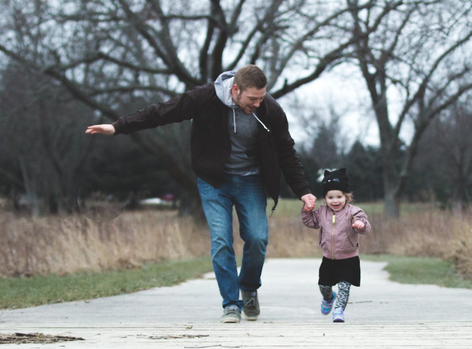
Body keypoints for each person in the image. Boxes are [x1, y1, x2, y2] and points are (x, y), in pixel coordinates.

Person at [86, 65, 317, 323]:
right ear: (235, 89)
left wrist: (304, 192)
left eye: (262, 97)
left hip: (250, 180)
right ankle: (231, 304)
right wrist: (117, 127)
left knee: (257, 238)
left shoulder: (270, 109)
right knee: (221, 241)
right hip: (213, 180)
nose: (257, 103)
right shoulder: (204, 97)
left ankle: (249, 287)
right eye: (252, 99)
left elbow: (286, 151)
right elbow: (162, 112)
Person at [301, 168, 371, 323]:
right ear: (325, 198)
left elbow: (366, 225)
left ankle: (339, 311)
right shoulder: (321, 212)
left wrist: (361, 224)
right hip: (329, 258)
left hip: (349, 258)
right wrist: (306, 212)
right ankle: (328, 297)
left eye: (339, 196)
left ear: (346, 197)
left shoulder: (354, 212)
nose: (335, 201)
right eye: (330, 197)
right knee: (324, 286)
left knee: (344, 288)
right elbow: (310, 222)